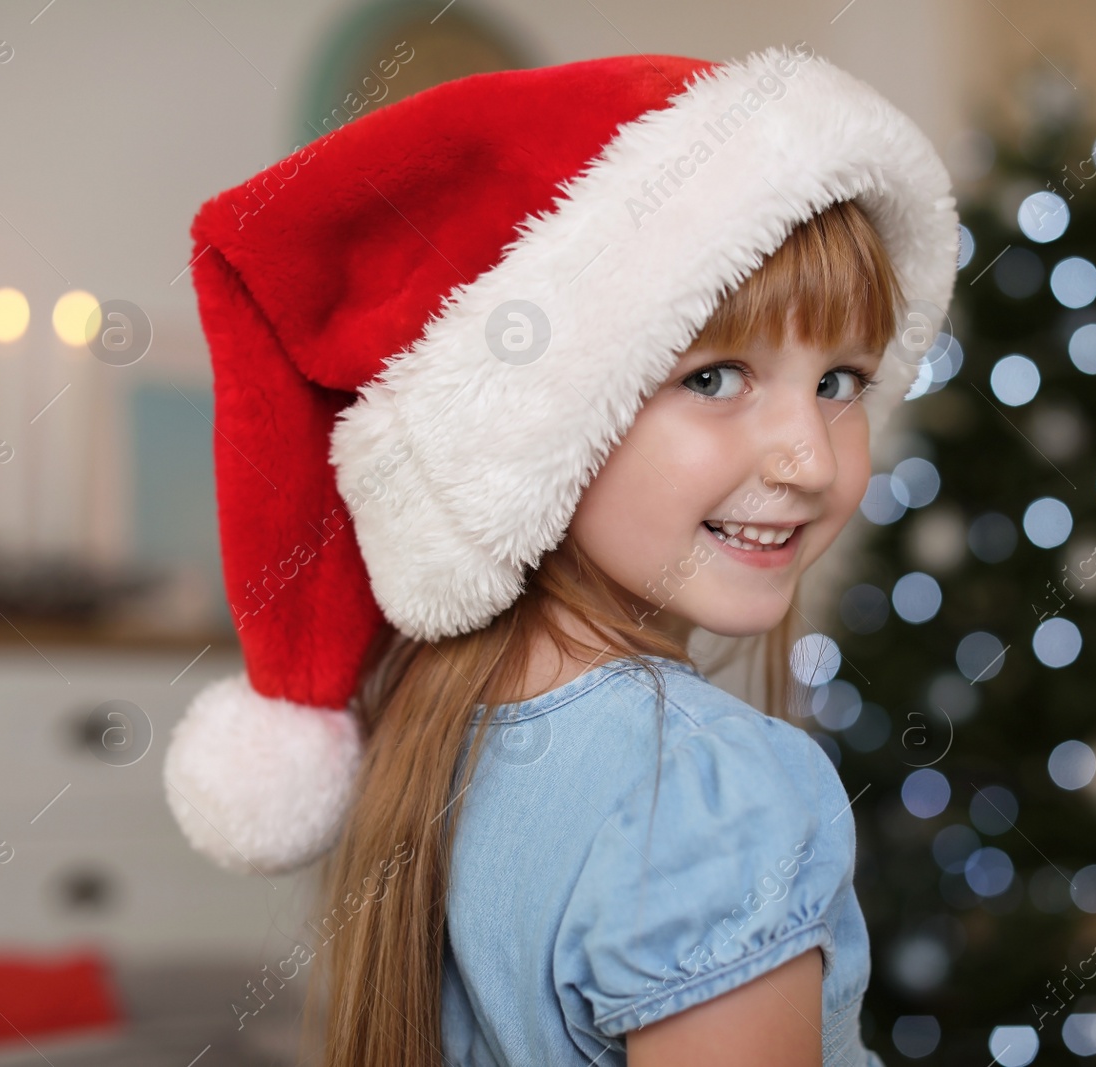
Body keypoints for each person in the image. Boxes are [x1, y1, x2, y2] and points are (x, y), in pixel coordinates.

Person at [165, 43, 957, 1066]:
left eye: (841, 380)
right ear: (537, 422)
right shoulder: (706, 792)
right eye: (714, 378)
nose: (809, 456)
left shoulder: (439, 720)